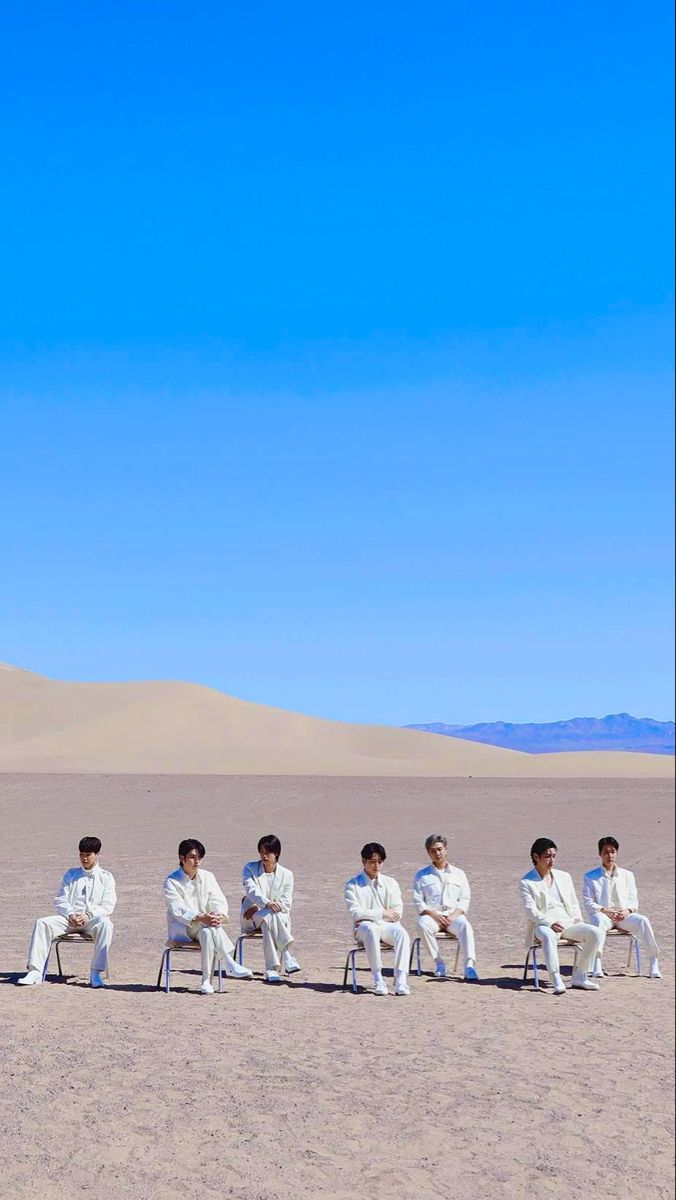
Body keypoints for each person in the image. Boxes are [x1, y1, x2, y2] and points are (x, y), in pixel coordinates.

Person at [18, 836, 116, 988]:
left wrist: (88, 915)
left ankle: (95, 972)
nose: (84, 859)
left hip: (91, 920)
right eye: (81, 854)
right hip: (69, 919)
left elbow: (108, 905)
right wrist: (70, 914)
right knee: (42, 923)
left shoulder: (106, 877)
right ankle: (35, 971)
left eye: (88, 855)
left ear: (97, 854)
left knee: (106, 924)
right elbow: (61, 900)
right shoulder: (71, 874)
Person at [163, 838, 253, 995]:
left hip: (207, 927)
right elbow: (177, 909)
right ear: (182, 858)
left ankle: (206, 981)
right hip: (183, 928)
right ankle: (229, 963)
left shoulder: (208, 876)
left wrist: (216, 915)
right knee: (207, 927)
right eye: (192, 857)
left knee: (207, 931)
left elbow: (218, 899)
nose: (196, 861)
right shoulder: (172, 881)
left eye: (199, 857)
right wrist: (199, 917)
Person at [519, 838, 603, 995]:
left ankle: (580, 975)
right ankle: (555, 978)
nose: (552, 860)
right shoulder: (527, 882)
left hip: (568, 923)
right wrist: (549, 922)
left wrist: (578, 919)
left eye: (554, 856)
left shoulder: (564, 876)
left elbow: (573, 901)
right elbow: (531, 911)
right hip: (542, 925)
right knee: (548, 935)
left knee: (596, 932)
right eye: (547, 856)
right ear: (536, 857)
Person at [583, 836, 661, 979]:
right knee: (598, 922)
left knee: (643, 920)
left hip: (623, 916)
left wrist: (627, 911)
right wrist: (604, 910)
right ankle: (597, 963)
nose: (609, 855)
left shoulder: (628, 875)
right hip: (604, 915)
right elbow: (588, 902)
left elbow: (633, 900)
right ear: (600, 854)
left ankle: (653, 961)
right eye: (605, 852)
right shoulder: (590, 877)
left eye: (612, 851)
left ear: (616, 853)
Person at [344, 842, 411, 996]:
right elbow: (356, 913)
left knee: (401, 932)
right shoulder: (352, 885)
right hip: (363, 928)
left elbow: (397, 911)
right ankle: (378, 978)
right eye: (372, 862)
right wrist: (381, 913)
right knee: (370, 928)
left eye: (379, 862)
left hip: (387, 925)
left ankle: (401, 980)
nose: (376, 866)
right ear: (363, 861)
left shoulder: (391, 883)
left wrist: (382, 915)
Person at [412, 834, 479, 981]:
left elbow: (464, 899)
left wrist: (452, 916)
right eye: (433, 851)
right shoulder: (422, 875)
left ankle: (469, 966)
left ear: (446, 849)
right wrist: (435, 916)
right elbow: (418, 902)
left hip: (453, 916)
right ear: (428, 853)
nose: (437, 853)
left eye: (440, 849)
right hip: (432, 917)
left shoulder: (459, 874)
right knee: (422, 925)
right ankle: (439, 963)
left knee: (465, 926)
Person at [240, 834, 300, 984]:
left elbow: (286, 903)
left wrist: (268, 907)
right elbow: (252, 891)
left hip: (274, 917)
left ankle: (271, 969)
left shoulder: (287, 875)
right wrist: (266, 903)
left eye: (268, 852)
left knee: (269, 918)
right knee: (269, 914)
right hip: (251, 917)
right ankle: (287, 956)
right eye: (261, 852)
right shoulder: (250, 868)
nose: (264, 856)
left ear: (276, 853)